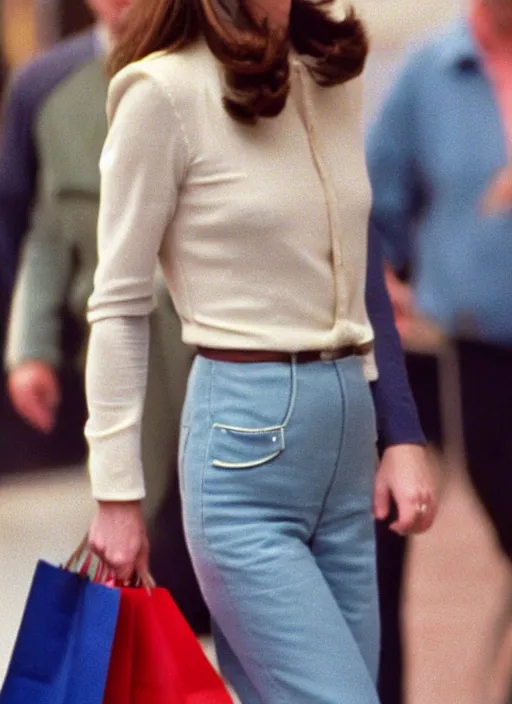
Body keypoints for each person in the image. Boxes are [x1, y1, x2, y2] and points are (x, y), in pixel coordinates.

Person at [85, 1, 438, 701]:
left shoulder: (331, 73)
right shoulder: (163, 93)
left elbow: (359, 268)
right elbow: (119, 303)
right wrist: (116, 493)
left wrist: (400, 433)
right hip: (243, 456)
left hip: (345, 447)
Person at [1, 0, 209, 633]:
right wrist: (28, 346)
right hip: (121, 354)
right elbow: (43, 228)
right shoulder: (45, 88)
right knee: (139, 541)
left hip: (220, 348)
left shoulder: (217, 62)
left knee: (224, 541)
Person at [367, 1, 512, 701]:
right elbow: (375, 205)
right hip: (457, 356)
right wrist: (385, 286)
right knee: (388, 544)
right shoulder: (428, 72)